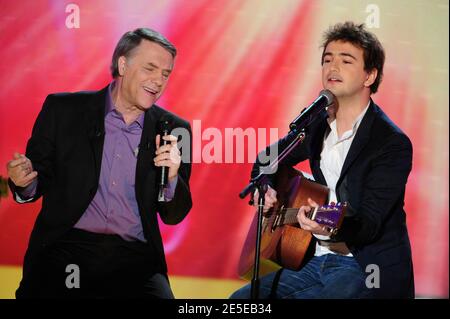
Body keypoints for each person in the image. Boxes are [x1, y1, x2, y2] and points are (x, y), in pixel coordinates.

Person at [231, 21, 414, 299]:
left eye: (346, 60)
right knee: (240, 302)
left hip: (363, 265)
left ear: (369, 76)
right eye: (327, 59)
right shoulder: (315, 126)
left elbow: (368, 225)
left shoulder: (390, 143)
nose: (332, 67)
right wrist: (265, 187)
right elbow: (267, 158)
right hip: (312, 259)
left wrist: (328, 224)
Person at [6, 28, 192, 298]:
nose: (158, 81)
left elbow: (174, 215)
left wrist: (172, 178)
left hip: (134, 258)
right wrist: (26, 184)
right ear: (123, 65)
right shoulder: (64, 111)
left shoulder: (175, 130)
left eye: (165, 73)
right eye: (150, 68)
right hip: (67, 247)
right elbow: (38, 178)